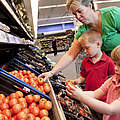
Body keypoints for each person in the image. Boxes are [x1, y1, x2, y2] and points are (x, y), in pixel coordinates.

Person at [38, 0, 120, 82]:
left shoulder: (112, 15)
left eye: (80, 11)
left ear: (89, 6)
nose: (78, 17)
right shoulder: (83, 31)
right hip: (114, 70)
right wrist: (52, 72)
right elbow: (70, 54)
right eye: (74, 14)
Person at [66, 45, 120, 120]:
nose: (116, 68)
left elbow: (110, 109)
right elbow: (96, 94)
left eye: (119, 65)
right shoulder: (113, 80)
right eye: (115, 64)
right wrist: (74, 92)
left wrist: (81, 96)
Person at [66, 29, 115, 102]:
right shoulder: (85, 62)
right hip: (88, 97)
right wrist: (76, 81)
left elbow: (113, 80)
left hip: (104, 100)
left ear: (98, 44)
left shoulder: (108, 62)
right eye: (83, 49)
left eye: (87, 48)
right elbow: (83, 77)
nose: (85, 51)